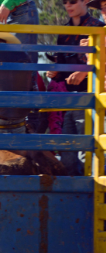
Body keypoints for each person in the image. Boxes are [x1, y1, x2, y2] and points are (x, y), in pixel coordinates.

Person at [46, 0, 104, 176]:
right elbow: (62, 69)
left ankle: (91, 193)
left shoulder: (99, 27)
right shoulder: (64, 33)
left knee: (86, 151)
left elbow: (103, 62)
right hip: (71, 99)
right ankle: (76, 194)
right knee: (69, 153)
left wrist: (85, 71)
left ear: (84, 2)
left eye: (72, 1)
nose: (68, 5)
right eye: (65, 2)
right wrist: (55, 72)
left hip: (91, 97)